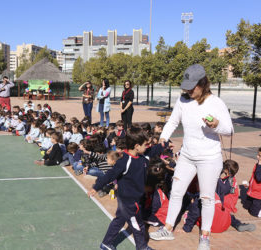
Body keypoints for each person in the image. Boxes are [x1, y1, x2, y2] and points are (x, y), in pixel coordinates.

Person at [149, 64, 234, 250]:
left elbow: (229, 130)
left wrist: (216, 125)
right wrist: (164, 135)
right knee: (177, 191)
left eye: (192, 86)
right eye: (186, 86)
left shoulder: (216, 103)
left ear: (203, 84)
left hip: (209, 158)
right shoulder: (183, 100)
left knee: (206, 198)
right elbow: (173, 120)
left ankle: (205, 237)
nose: (188, 90)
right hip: (187, 156)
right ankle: (168, 228)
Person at [88, 127, 167, 250]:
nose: (148, 146)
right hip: (129, 201)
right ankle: (142, 247)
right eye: (145, 144)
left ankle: (106, 243)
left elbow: (153, 150)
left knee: (119, 220)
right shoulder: (124, 161)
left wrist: (164, 144)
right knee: (138, 225)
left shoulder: (142, 155)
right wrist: (96, 187)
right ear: (136, 146)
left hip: (134, 199)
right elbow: (110, 174)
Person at [245, 147, 261, 217]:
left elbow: (258, 178)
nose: (257, 156)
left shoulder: (259, 165)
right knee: (246, 206)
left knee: (253, 213)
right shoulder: (257, 165)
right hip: (253, 191)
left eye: (260, 156)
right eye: (258, 155)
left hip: (258, 194)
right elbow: (253, 177)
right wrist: (249, 184)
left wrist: (259, 165)